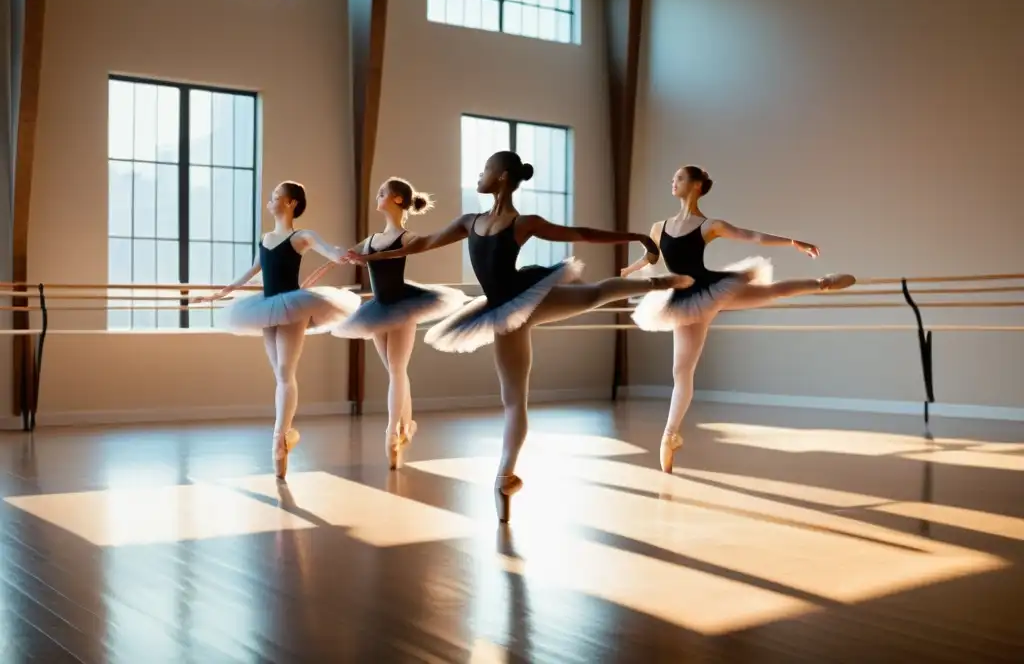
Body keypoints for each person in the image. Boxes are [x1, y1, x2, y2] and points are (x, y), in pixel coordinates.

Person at [346, 151, 693, 523]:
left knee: (520, 393)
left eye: (484, 170)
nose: (478, 175)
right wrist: (367, 260)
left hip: (517, 300)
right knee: (581, 310)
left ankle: (505, 473)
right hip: (510, 307)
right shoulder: (491, 221)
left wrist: (635, 235)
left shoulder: (498, 222)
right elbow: (417, 245)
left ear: (500, 177)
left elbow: (580, 234)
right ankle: (504, 475)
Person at [621, 165, 856, 473]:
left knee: (770, 292)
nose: (672, 181)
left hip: (708, 288)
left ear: (695, 186)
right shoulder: (658, 227)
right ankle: (670, 436)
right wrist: (628, 272)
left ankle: (822, 283)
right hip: (683, 297)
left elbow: (752, 236)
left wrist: (792, 242)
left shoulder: (709, 226)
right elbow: (651, 258)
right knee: (682, 369)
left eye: (678, 178)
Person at [191, 181, 361, 479]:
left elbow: (328, 251)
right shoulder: (266, 237)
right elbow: (252, 272)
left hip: (292, 306)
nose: (270, 201)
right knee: (279, 374)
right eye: (271, 198)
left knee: (285, 372)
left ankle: (279, 439)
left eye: (276, 197)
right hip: (266, 305)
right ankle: (285, 435)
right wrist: (218, 295)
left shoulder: (302, 236)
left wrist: (341, 254)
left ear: (292, 203)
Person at [305, 178, 468, 469]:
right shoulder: (370, 239)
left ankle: (392, 431)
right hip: (378, 309)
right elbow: (342, 256)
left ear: (397, 200)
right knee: (394, 372)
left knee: (397, 369)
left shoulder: (406, 238)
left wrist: (366, 257)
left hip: (404, 305)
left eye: (383, 192)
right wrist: (325, 266)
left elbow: (407, 251)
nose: (377, 195)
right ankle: (407, 425)